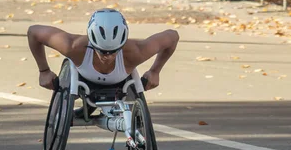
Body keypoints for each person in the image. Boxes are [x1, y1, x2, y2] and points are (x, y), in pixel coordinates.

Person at [27, 9, 179, 118]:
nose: (107, 56)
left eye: (114, 51)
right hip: (82, 81)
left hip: (121, 83)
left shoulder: (136, 52)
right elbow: (33, 32)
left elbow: (173, 36)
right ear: (92, 43)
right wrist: (44, 71)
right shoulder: (73, 47)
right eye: (102, 51)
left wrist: (155, 71)